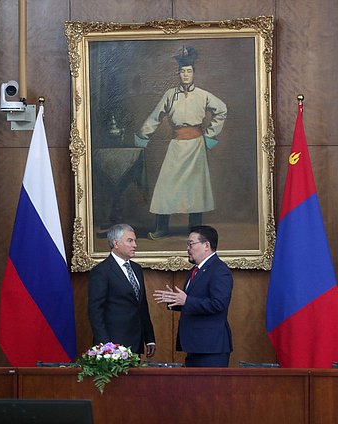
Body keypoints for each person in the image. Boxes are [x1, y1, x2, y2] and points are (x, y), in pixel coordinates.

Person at [135, 46, 227, 240]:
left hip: (196, 147)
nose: (186, 75)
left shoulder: (203, 95)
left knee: (195, 187)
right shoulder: (170, 95)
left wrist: (210, 136)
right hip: (177, 146)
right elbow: (156, 116)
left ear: (194, 73)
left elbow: (221, 110)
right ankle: (162, 227)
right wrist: (143, 136)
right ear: (178, 73)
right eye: (183, 71)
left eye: (189, 71)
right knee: (166, 186)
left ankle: (195, 229)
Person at [153, 225, 233, 367]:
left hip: (211, 347)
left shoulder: (219, 270)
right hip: (195, 346)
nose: (188, 248)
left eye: (191, 244)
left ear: (206, 245)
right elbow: (193, 302)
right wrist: (176, 300)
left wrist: (186, 300)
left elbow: (218, 304)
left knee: (210, 389)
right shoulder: (196, 270)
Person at [88, 223, 156, 358]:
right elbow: (95, 311)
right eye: (130, 241)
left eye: (135, 241)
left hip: (136, 342)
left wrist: (149, 338)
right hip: (112, 346)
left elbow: (141, 306)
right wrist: (105, 346)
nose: (135, 245)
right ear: (116, 243)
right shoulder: (101, 271)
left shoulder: (136, 269)